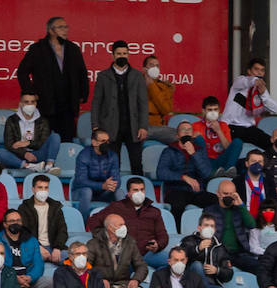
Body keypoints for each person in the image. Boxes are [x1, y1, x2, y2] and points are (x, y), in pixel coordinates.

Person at [17, 17, 89, 142]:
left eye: (66, 27)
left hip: (68, 106)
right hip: (45, 105)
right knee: (44, 141)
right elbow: (22, 72)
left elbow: (82, 73)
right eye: (61, 27)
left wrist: (83, 94)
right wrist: (30, 93)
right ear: (51, 30)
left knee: (66, 141)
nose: (65, 30)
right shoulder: (37, 49)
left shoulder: (73, 49)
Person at [91, 41, 148, 172]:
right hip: (110, 128)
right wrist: (95, 125)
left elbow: (143, 103)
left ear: (128, 55)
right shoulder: (103, 76)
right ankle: (113, 192)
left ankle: (138, 190)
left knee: (136, 164)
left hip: (133, 127)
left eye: (125, 53)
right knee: (112, 165)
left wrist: (143, 126)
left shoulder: (138, 75)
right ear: (113, 56)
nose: (122, 56)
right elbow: (96, 102)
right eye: (119, 54)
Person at [88, 178, 170, 267]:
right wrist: (106, 237)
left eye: (142, 189)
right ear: (128, 192)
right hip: (124, 254)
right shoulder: (117, 207)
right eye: (135, 190)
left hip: (148, 253)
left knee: (171, 262)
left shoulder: (154, 211)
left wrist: (158, 245)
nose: (140, 193)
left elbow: (163, 235)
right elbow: (93, 220)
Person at [0, 210, 53, 288]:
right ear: (5, 224)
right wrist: (14, 278)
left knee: (49, 283)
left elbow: (39, 264)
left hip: (28, 280)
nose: (15, 223)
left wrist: (30, 277)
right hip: (7, 280)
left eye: (18, 220)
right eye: (12, 221)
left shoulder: (31, 240)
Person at [86, 214, 147, 288]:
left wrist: (136, 280)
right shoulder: (94, 243)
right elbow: (85, 266)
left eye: (124, 224)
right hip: (102, 284)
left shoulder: (130, 242)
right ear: (110, 228)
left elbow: (141, 265)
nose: (124, 227)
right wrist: (98, 279)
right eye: (120, 225)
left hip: (124, 284)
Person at [220, 58, 277, 151]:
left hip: (248, 128)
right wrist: (255, 81)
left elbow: (274, 109)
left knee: (272, 145)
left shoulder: (262, 90)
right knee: (232, 148)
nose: (259, 73)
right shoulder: (239, 81)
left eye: (262, 70)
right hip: (231, 126)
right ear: (249, 71)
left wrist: (263, 95)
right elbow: (247, 81)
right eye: (256, 69)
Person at [0, 92, 61, 174]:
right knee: (1, 153)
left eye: (32, 102)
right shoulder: (12, 120)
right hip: (19, 156)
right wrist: (24, 154)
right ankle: (30, 166)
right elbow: (9, 144)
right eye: (26, 102)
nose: (30, 105)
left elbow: (42, 142)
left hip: (38, 155)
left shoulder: (43, 121)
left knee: (55, 137)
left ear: (36, 103)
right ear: (21, 104)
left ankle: (49, 166)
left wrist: (27, 143)